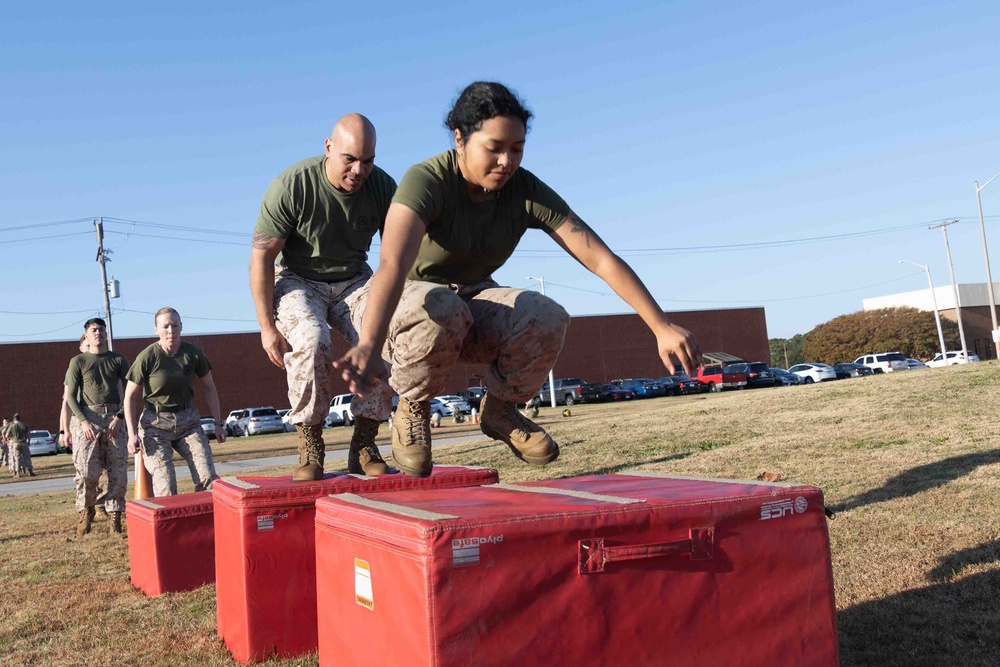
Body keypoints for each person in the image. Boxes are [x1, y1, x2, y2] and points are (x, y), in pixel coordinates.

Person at [335, 82, 702, 478]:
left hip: (468, 306)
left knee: (546, 316)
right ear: (459, 139)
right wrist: (369, 343)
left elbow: (600, 258)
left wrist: (660, 325)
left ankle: (501, 410)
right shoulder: (426, 180)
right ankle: (412, 407)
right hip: (401, 311)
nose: (506, 161)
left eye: (517, 149)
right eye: (493, 148)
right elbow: (391, 263)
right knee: (442, 305)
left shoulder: (523, 190)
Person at [250, 113, 397, 480]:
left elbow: (402, 250)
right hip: (299, 279)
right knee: (314, 339)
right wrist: (266, 326)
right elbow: (262, 256)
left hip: (353, 279)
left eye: (368, 161)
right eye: (350, 159)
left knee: (389, 335)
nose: (359, 170)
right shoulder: (293, 185)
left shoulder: (381, 188)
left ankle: (364, 442)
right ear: (329, 148)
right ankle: (310, 444)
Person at [124, 307, 225, 496]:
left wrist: (218, 423)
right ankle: (169, 523)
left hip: (188, 422)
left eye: (175, 325)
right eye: (166, 326)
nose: (171, 331)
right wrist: (131, 434)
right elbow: (129, 396)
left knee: (208, 477)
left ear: (181, 327)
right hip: (155, 424)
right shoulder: (147, 357)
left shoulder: (193, 354)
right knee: (166, 485)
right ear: (156, 329)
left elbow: (210, 387)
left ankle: (205, 521)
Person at [64, 318, 131, 536]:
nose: (98, 333)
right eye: (94, 330)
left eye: (102, 329)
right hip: (87, 418)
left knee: (117, 472)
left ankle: (115, 517)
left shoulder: (118, 359)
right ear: (86, 335)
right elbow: (70, 397)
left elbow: (130, 391)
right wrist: (83, 421)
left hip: (113, 417)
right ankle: (87, 511)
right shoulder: (78, 361)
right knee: (86, 472)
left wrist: (120, 417)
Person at [61, 334, 110, 515]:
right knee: (86, 468)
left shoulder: (102, 368)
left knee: (106, 467)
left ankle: (101, 505)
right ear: (81, 348)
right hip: (81, 422)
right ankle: (85, 507)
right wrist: (64, 430)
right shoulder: (74, 370)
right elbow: (66, 403)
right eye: (87, 346)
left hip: (101, 421)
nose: (91, 348)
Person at [4, 413, 34, 477]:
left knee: (17, 458)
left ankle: (18, 472)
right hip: (23, 442)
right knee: (27, 457)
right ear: (20, 418)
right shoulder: (24, 425)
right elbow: (28, 435)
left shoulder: (12, 426)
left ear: (14, 419)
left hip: (15, 443)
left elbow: (6, 435)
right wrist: (28, 441)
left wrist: (9, 440)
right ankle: (29, 471)